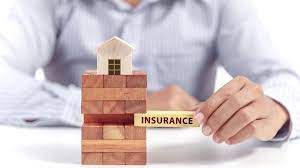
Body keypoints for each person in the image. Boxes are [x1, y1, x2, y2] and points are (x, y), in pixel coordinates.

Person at [0, 0, 299, 145]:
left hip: (190, 159)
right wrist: (119, 106)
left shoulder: (221, 4)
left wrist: (276, 110)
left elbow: (286, 82)